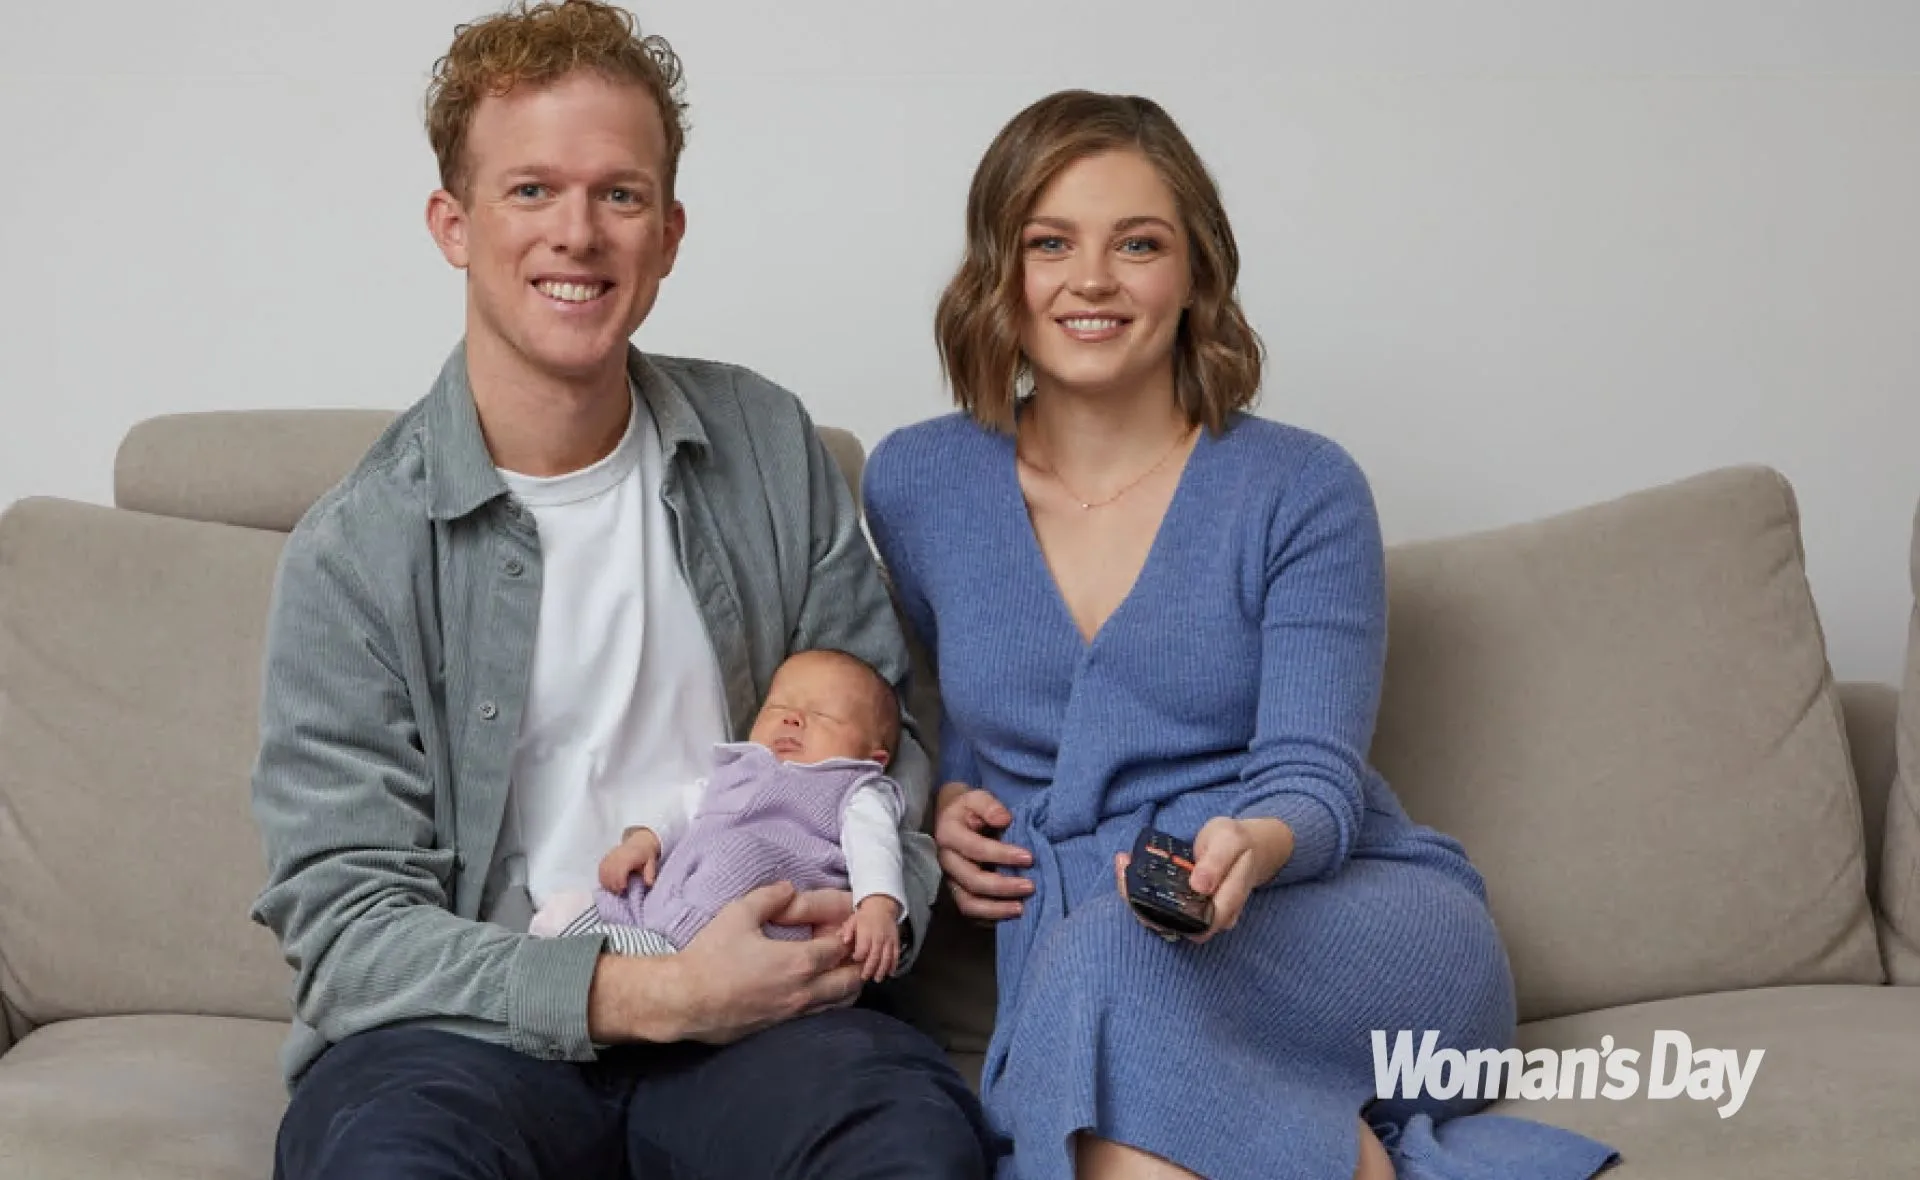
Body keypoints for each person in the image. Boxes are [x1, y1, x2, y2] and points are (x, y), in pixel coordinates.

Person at [245, 3, 990, 1177]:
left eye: (620, 194)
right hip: (474, 1036)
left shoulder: (767, 443)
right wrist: (648, 990)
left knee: (906, 1145)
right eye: (531, 190)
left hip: (765, 1009)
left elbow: (881, 750)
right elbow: (349, 932)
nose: (578, 234)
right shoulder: (356, 551)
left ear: (670, 230)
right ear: (454, 223)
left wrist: (843, 924)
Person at [861, 90, 1622, 1180]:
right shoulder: (918, 481)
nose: (1092, 279)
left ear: (1195, 275)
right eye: (1050, 242)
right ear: (999, 272)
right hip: (1099, 950)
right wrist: (948, 805)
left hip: (1339, 926)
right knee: (1112, 979)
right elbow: (952, 704)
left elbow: (1314, 776)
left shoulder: (1302, 487)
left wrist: (1247, 851)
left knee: (1112, 971)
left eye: (1138, 243)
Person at [531, 648, 911, 982]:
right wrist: (645, 840)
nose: (792, 719)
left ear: (873, 758)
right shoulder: (737, 769)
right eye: (778, 707)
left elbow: (875, 846)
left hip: (765, 905)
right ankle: (604, 926)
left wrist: (878, 906)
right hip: (680, 885)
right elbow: (684, 806)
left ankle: (656, 950)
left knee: (739, 855)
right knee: (640, 882)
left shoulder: (856, 788)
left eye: (823, 715)